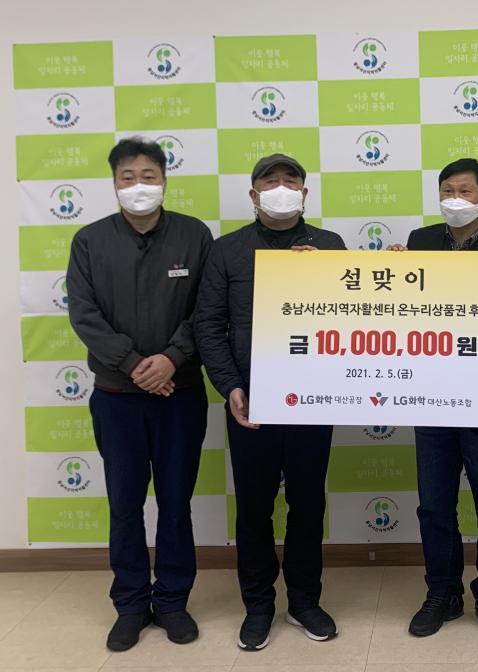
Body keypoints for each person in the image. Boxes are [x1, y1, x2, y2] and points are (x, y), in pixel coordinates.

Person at [193, 154, 346, 651]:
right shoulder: (227, 250)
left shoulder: (330, 245)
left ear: (305, 192)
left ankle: (304, 601)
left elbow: (352, 318)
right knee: (254, 507)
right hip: (251, 401)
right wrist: (230, 386)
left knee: (307, 504)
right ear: (254, 194)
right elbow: (208, 325)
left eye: (290, 180)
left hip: (312, 400)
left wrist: (322, 275)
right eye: (270, 181)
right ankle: (258, 605)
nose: (281, 187)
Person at [66, 137, 213, 651]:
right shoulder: (89, 241)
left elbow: (206, 309)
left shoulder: (194, 236)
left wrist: (172, 357)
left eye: (148, 176)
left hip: (180, 393)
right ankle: (130, 604)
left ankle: (172, 601)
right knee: (124, 504)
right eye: (127, 177)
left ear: (165, 180)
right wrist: (133, 364)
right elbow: (84, 315)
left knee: (175, 503)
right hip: (116, 396)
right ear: (114, 183)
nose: (138, 186)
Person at [389, 158, 478, 642]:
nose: (456, 199)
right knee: (434, 506)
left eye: (465, 191)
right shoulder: (420, 242)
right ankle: (442, 592)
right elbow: (402, 313)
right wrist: (389, 271)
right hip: (431, 396)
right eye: (447, 190)